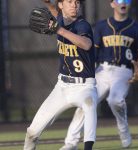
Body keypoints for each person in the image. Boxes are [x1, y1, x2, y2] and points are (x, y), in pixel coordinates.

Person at [59, 0, 138, 149]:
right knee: (85, 103)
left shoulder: (137, 28)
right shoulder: (102, 26)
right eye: (119, 0)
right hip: (102, 70)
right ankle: (70, 143)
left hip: (123, 71)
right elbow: (91, 52)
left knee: (115, 100)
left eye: (127, 0)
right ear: (112, 4)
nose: (123, 2)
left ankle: (124, 131)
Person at [23, 0, 98, 150]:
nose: (74, 5)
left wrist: (60, 30)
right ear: (61, 5)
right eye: (69, 1)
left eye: (77, 2)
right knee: (32, 133)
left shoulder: (82, 25)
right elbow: (54, 11)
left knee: (89, 106)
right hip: (62, 87)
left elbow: (86, 44)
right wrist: (48, 3)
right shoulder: (60, 20)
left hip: (84, 86)